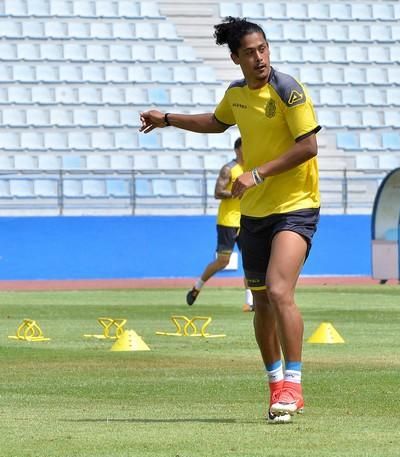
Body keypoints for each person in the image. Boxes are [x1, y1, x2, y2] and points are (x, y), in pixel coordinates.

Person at [139, 17, 321, 424]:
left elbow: (308, 146)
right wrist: (168, 118)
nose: (259, 57)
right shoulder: (236, 94)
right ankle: (276, 385)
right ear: (235, 58)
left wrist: (257, 172)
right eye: (250, 52)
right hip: (254, 211)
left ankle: (294, 383)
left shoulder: (288, 91)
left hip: (296, 204)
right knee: (260, 302)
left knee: (278, 290)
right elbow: (216, 123)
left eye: (264, 48)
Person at [186, 137, 254, 313]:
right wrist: (236, 191)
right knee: (223, 261)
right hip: (228, 220)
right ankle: (197, 287)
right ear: (238, 149)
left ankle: (250, 302)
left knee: (250, 260)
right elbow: (218, 192)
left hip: (246, 218)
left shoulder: (252, 169)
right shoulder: (229, 169)